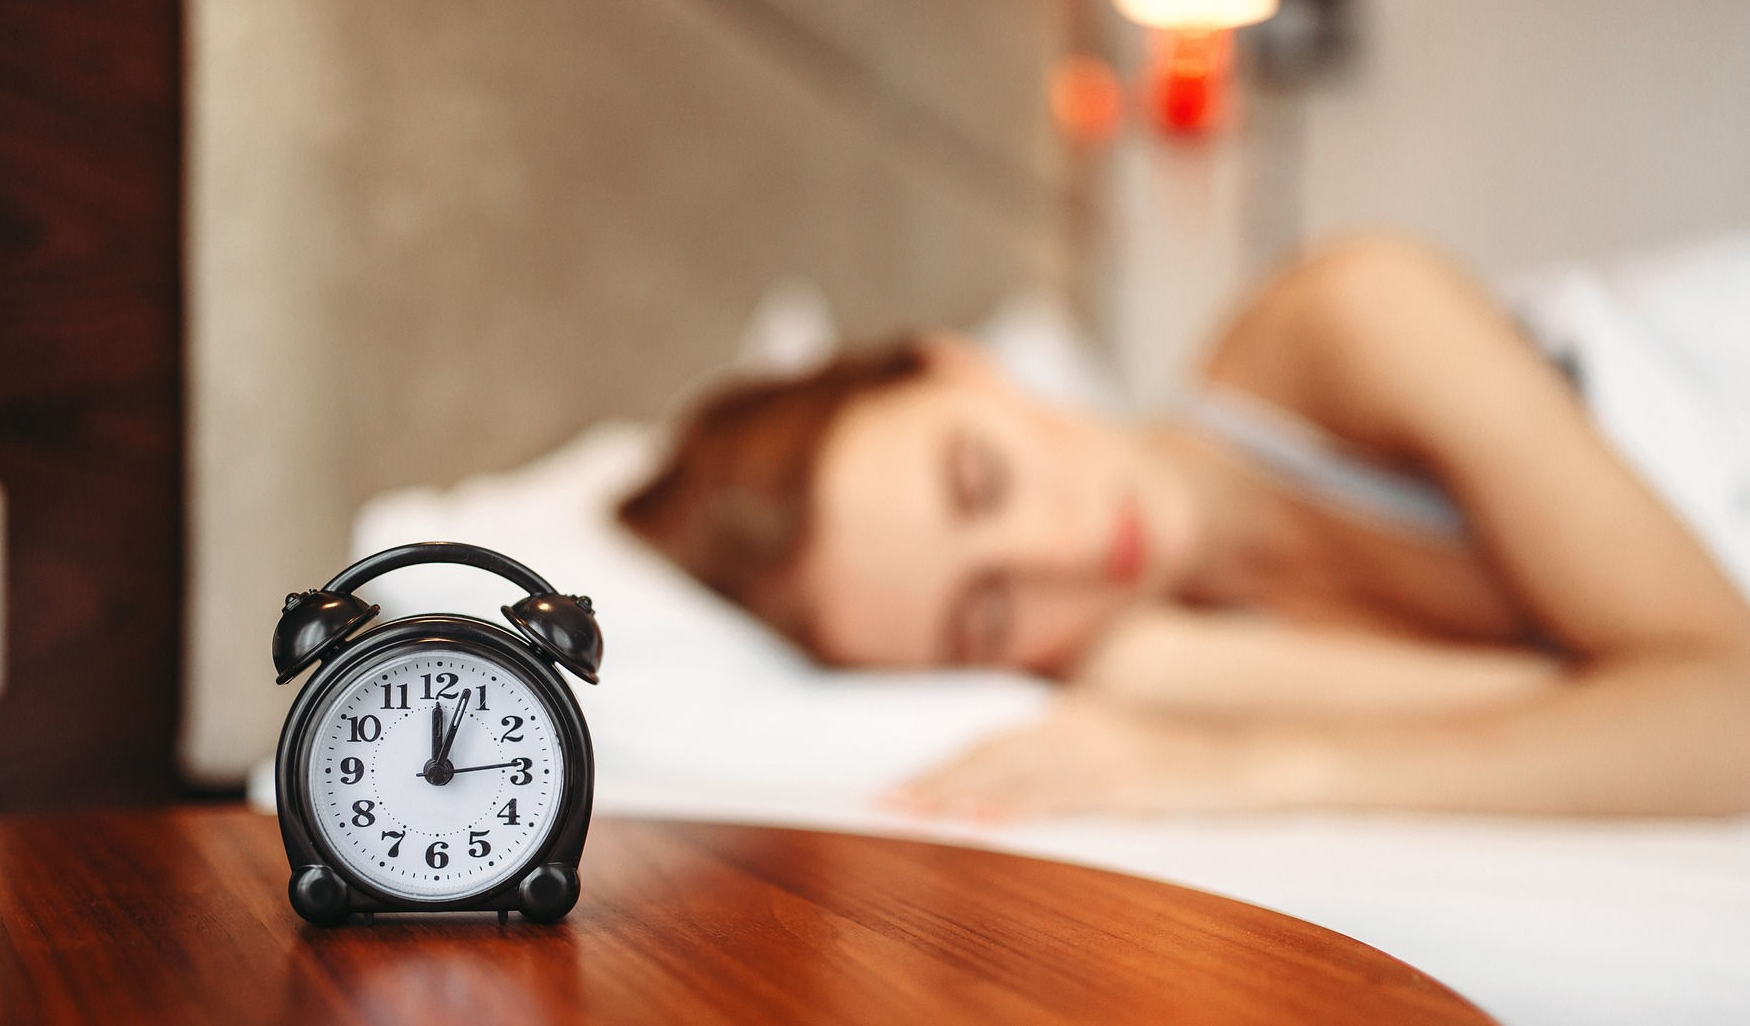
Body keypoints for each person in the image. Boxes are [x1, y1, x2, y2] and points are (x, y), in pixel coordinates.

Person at [617, 236, 1750, 820]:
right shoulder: (1151, 658)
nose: (1060, 552)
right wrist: (1159, 673)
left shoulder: (1349, 321)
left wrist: (1252, 771)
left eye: (982, 478)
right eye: (988, 612)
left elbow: (1725, 712)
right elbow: (1618, 725)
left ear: (962, 364)